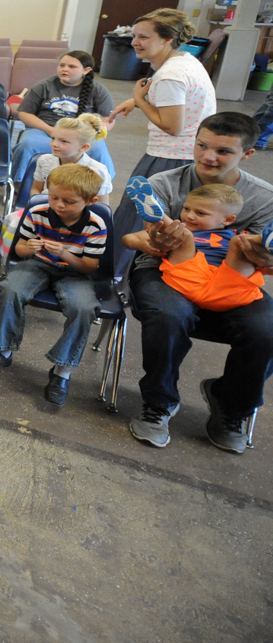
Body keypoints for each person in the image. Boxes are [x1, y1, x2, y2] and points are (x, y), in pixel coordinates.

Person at [119, 113, 273, 453]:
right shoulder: (164, 183)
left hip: (231, 276)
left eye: (223, 151)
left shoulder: (263, 198)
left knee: (267, 329)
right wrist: (153, 241)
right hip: (167, 268)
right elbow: (140, 239)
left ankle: (231, 406)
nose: (208, 157)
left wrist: (264, 255)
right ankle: (159, 403)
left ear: (247, 154)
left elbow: (262, 262)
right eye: (202, 146)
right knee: (168, 314)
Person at [0, 164, 108, 405]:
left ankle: (62, 371)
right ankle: (2, 350)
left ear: (91, 201)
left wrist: (66, 254)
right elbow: (19, 250)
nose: (59, 205)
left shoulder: (96, 225)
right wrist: (29, 247)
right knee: (10, 289)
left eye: (69, 201)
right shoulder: (38, 211)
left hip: (75, 273)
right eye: (54, 197)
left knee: (84, 308)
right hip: (38, 263)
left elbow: (90, 266)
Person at [126, 181, 266, 314]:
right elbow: (128, 238)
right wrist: (142, 245)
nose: (189, 216)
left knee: (242, 244)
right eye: (186, 209)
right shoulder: (179, 231)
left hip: (230, 285)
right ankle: (158, 214)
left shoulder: (237, 235)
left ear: (228, 220)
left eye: (200, 213)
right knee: (183, 236)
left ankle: (266, 238)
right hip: (192, 277)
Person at [108, 8, 216, 178]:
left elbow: (172, 127)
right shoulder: (185, 59)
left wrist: (140, 99)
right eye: (134, 36)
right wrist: (137, 101)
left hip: (172, 155)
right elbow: (178, 98)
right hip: (188, 152)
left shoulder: (170, 76)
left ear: (167, 39)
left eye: (143, 37)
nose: (134, 42)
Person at [12, 50, 116, 184]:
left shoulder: (98, 89)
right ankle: (19, 185)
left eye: (72, 67)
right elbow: (24, 113)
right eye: (62, 65)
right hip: (45, 130)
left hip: (80, 134)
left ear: (86, 70)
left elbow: (108, 119)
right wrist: (50, 130)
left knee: (98, 149)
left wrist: (98, 129)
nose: (65, 69)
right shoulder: (44, 85)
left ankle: (99, 186)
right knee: (27, 145)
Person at [27, 115, 111, 205]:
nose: (54, 144)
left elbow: (102, 206)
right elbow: (36, 189)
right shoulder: (44, 161)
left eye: (63, 141)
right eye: (53, 138)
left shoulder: (98, 171)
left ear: (83, 147)